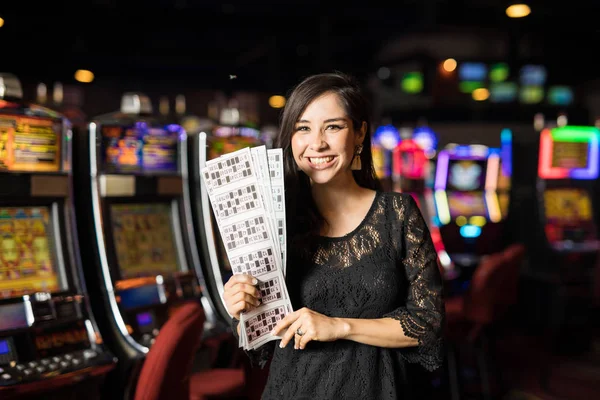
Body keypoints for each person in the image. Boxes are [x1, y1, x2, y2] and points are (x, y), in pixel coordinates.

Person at [223, 72, 445, 399]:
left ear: (359, 134)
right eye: (303, 128)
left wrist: (338, 326)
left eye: (333, 126)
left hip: (377, 389)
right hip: (293, 389)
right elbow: (262, 337)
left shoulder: (397, 213)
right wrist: (239, 306)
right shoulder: (273, 218)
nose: (317, 143)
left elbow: (427, 323)